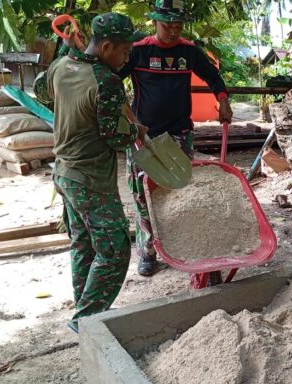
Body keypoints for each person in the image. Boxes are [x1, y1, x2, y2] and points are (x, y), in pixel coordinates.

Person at [117, 0, 233, 277]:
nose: (172, 31)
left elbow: (213, 77)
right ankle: (147, 252)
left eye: (178, 26)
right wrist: (132, 123)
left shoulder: (189, 51)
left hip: (180, 133)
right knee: (142, 193)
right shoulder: (139, 51)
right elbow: (110, 84)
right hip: (143, 135)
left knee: (181, 193)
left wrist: (223, 100)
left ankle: (184, 248)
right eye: (167, 25)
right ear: (154, 22)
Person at [47, 13, 147, 333]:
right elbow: (112, 136)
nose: (126, 58)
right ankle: (86, 318)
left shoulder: (61, 66)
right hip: (90, 179)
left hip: (63, 172)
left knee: (84, 244)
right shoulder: (107, 80)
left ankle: (86, 308)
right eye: (124, 52)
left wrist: (66, 50)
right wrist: (136, 131)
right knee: (116, 250)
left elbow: (42, 90)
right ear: (106, 47)